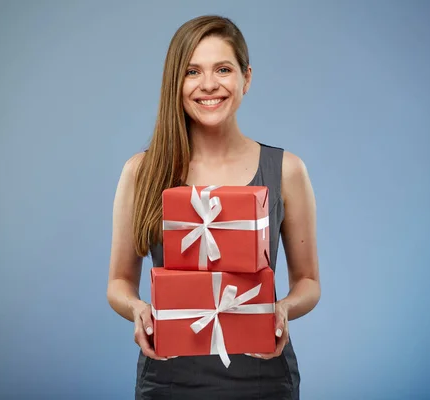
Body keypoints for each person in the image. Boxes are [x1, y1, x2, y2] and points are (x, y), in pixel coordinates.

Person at [107, 15, 320, 400]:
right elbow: (118, 283)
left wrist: (284, 308)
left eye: (223, 69)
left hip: (263, 376)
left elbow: (309, 283)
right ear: (176, 82)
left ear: (246, 78)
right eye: (192, 71)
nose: (208, 85)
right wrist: (137, 308)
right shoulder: (141, 172)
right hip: (168, 377)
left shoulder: (287, 170)